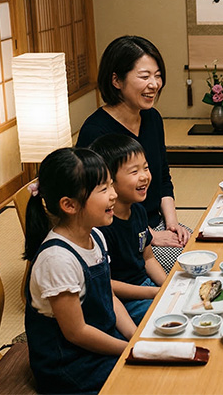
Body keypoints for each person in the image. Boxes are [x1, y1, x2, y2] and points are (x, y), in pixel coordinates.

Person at [23, 148, 135, 394]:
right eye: (103, 189)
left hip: (99, 343)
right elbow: (76, 332)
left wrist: (135, 337)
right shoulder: (57, 259)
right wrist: (128, 349)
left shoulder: (95, 235)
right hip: (71, 364)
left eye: (111, 185)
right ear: (69, 205)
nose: (114, 194)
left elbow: (109, 295)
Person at [76, 35, 189, 272]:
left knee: (204, 249)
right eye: (144, 76)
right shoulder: (96, 131)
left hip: (155, 223)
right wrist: (152, 237)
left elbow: (163, 179)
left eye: (157, 76)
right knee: (185, 269)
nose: (154, 84)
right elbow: (95, 202)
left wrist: (172, 224)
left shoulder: (153, 118)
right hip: (121, 234)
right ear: (116, 80)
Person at [90, 134, 167, 324]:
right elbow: (105, 285)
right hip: (122, 301)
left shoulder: (139, 211)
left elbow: (148, 258)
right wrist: (153, 293)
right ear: (109, 180)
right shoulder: (102, 226)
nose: (144, 176)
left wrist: (168, 285)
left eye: (146, 168)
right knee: (168, 318)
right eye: (134, 172)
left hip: (144, 286)